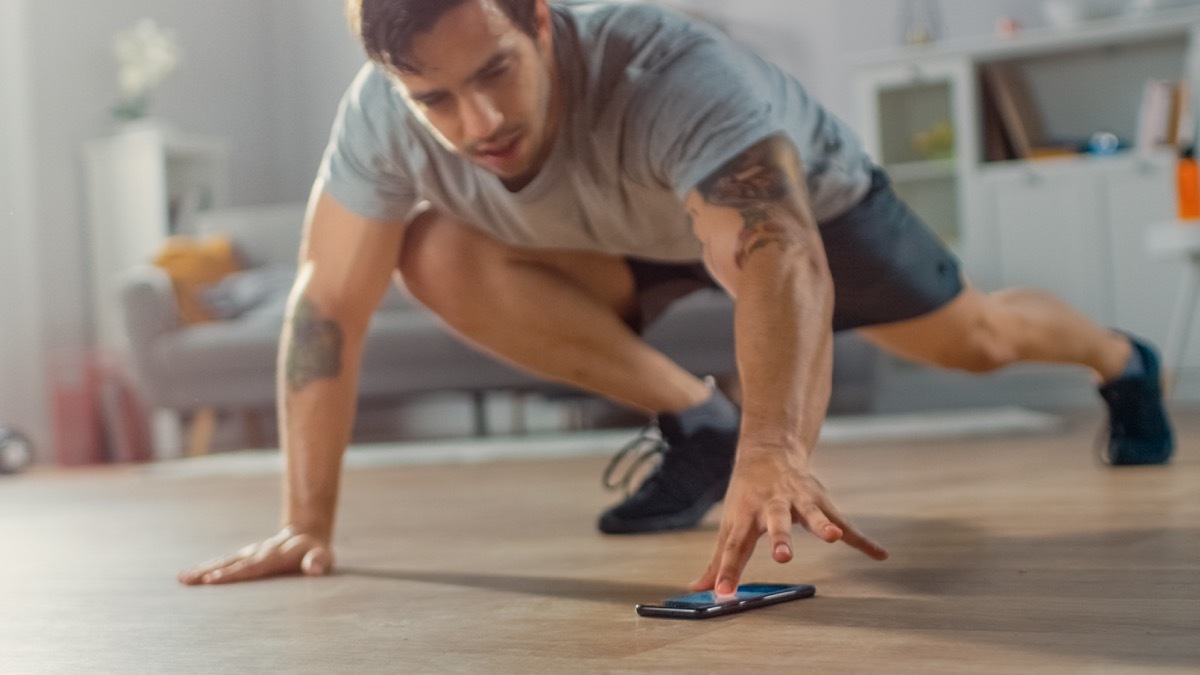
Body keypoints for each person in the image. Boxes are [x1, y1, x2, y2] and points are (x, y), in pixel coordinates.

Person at [179, 0, 1174, 595]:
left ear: (539, 18)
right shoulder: (379, 121)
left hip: (808, 213)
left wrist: (778, 449)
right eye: (434, 98)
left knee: (980, 339)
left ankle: (1123, 362)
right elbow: (325, 310)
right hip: (613, 240)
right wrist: (307, 521)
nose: (477, 121)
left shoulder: (667, 68)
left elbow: (779, 249)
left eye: (496, 73)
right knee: (430, 251)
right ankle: (696, 420)